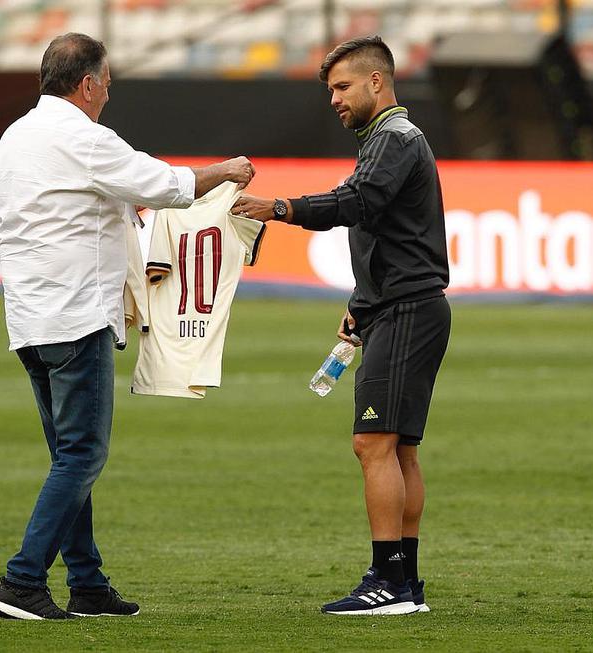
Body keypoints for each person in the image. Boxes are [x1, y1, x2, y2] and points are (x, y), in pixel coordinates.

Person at [0, 32, 254, 620]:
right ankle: (21, 581)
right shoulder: (83, 136)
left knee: (68, 458)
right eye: (106, 81)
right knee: (82, 457)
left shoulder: (14, 138)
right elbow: (167, 185)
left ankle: (87, 584)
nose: (109, 92)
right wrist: (229, 169)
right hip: (76, 315)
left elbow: (66, 204)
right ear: (86, 84)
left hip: (29, 318)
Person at [231, 35, 450, 616]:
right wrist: (364, 301)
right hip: (397, 306)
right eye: (331, 89)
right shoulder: (388, 139)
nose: (334, 99)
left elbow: (358, 203)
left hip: (408, 310)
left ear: (377, 82)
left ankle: (387, 582)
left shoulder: (396, 138)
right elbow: (387, 229)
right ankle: (406, 582)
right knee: (398, 449)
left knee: (372, 443)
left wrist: (282, 208)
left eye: (342, 86)